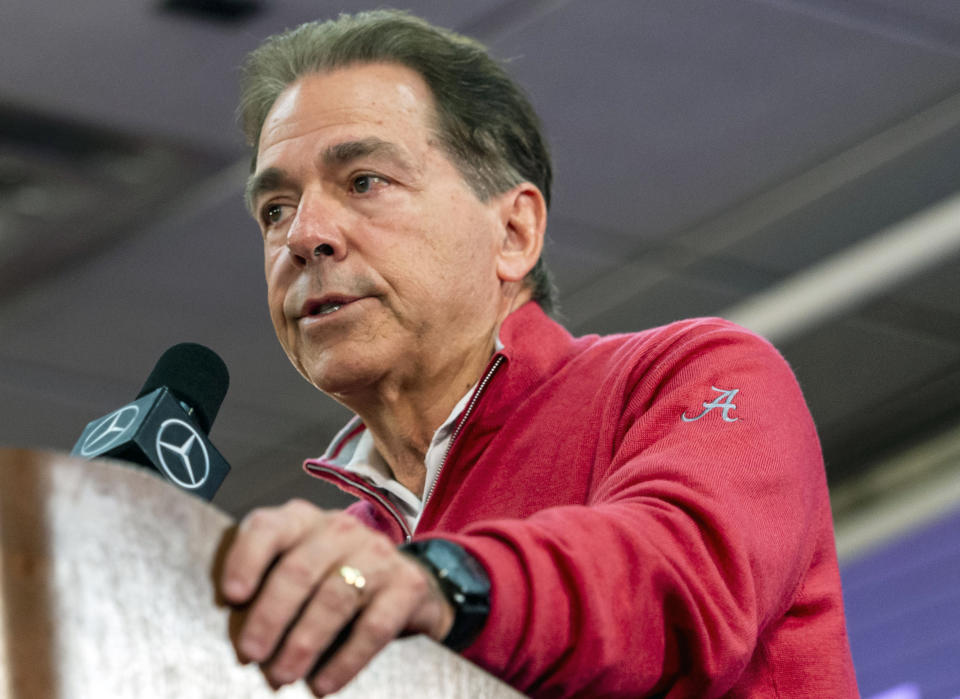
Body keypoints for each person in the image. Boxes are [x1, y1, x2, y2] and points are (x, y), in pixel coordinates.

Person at [219, 9, 858, 697]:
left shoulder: (693, 376)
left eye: (364, 181)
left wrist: (441, 584)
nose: (305, 234)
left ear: (515, 231)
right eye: (276, 208)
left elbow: (668, 585)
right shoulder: (339, 571)